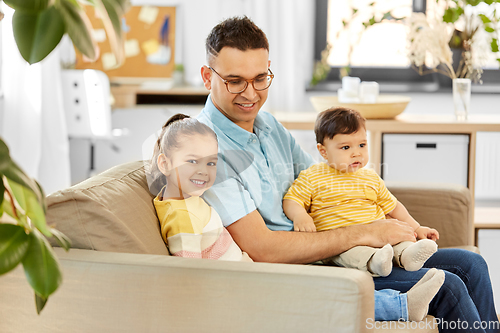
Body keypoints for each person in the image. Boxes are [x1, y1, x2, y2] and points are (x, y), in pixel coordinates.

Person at [197, 16, 499, 332]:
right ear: (208, 77)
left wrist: (376, 213)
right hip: (303, 270)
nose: (251, 93)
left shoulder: (268, 125)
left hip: (336, 249)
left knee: (473, 265)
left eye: (260, 78)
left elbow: (323, 180)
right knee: (447, 286)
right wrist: (365, 232)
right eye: (235, 81)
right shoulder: (206, 150)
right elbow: (263, 249)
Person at [283, 107, 439, 277]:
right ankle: (376, 262)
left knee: (399, 243)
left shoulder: (371, 177)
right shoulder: (313, 176)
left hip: (382, 238)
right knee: (354, 254)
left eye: (362, 145)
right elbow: (292, 200)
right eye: (345, 147)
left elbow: (394, 207)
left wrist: (417, 227)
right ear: (323, 151)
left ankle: (407, 255)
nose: (356, 153)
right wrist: (300, 216)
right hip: (343, 246)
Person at [148, 113, 252, 262]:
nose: (203, 171)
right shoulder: (182, 217)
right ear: (165, 164)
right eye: (192, 161)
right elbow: (191, 272)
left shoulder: (184, 200)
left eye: (211, 163)